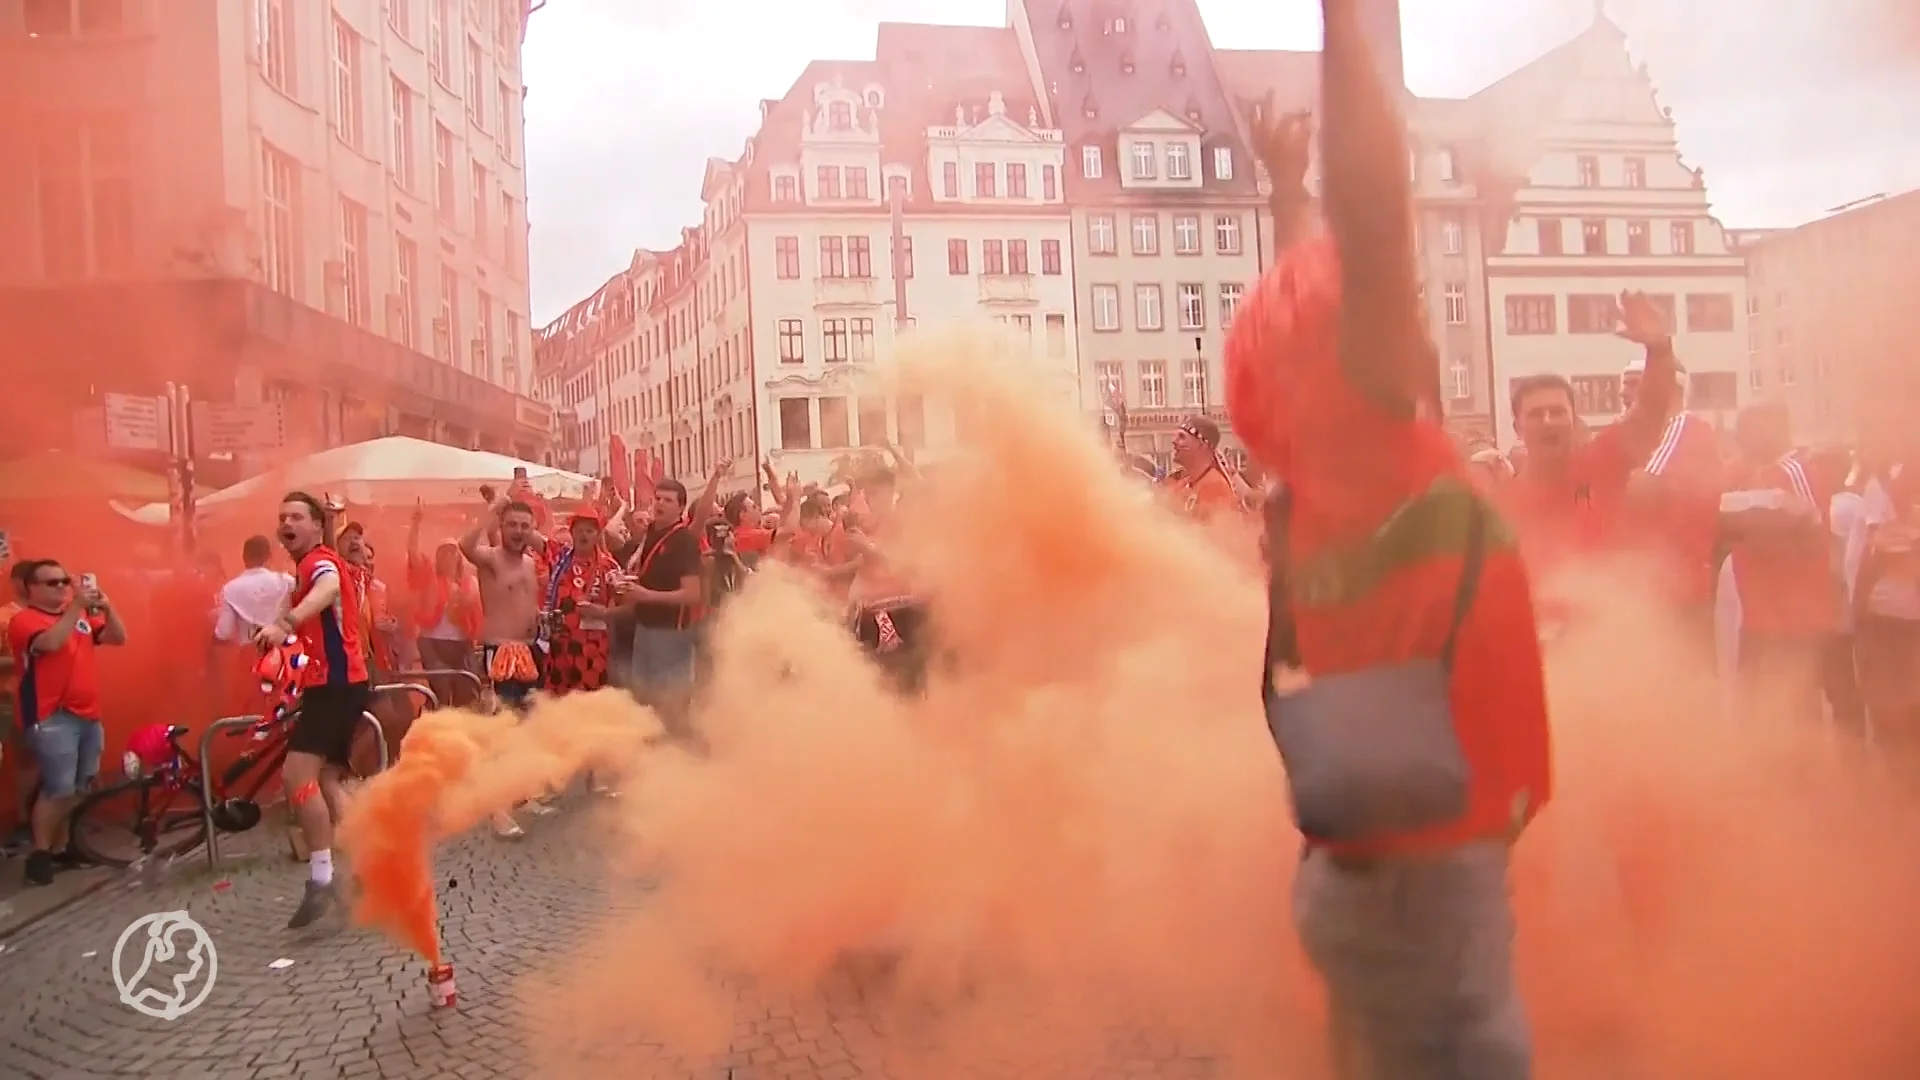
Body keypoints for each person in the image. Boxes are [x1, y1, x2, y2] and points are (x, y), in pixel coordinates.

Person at [1223, 2, 1550, 1074]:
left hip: (1348, 867)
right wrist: (1349, 25)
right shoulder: (1377, 458)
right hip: (1430, 878)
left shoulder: (1310, 488)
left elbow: (1298, 316)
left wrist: (1282, 189)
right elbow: (1368, 218)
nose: (1410, 310)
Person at [253, 492, 370, 927]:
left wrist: (286, 623)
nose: (286, 522)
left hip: (336, 687)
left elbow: (328, 588)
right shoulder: (304, 567)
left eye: (296, 516)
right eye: (282, 516)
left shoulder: (319, 562)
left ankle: (322, 878)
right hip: (339, 684)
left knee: (295, 777)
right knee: (326, 780)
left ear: (317, 526)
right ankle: (368, 861)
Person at [9, 559, 127, 886]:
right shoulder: (24, 620)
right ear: (30, 588)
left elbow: (118, 638)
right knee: (58, 788)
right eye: (52, 583)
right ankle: (41, 853)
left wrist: (107, 606)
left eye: (64, 581)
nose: (61, 587)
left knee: (81, 785)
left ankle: (62, 847)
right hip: (50, 716)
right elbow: (50, 643)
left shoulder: (81, 619)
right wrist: (75, 607)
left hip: (88, 713)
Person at [460, 494, 548, 837]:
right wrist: (494, 508)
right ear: (501, 526)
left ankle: (523, 795)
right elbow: (466, 544)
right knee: (501, 732)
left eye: (525, 526)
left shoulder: (529, 562)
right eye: (512, 524)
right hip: (501, 652)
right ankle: (497, 810)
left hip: (530, 650)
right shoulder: (491, 559)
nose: (518, 531)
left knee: (527, 727)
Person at [618, 479, 703, 737]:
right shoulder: (652, 530)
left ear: (680, 507)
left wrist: (647, 595)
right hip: (644, 628)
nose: (660, 504)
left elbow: (692, 595)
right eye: (657, 498)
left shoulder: (685, 540)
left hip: (671, 634)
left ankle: (681, 759)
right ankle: (651, 759)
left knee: (670, 704)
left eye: (668, 500)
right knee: (644, 701)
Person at [407, 500, 482, 708]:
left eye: (453, 551)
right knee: (440, 690)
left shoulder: (470, 581)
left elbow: (475, 607)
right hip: (432, 641)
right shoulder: (428, 576)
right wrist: (416, 523)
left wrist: (462, 600)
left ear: (460, 557)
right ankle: (435, 729)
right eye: (444, 552)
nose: (449, 555)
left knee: (466, 693)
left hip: (461, 643)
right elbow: (413, 553)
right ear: (438, 557)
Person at [1165, 416, 1245, 521]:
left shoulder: (1215, 487)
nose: (1174, 441)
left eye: (1182, 437)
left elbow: (1214, 534)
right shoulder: (1182, 485)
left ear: (1202, 444)